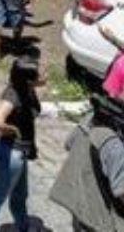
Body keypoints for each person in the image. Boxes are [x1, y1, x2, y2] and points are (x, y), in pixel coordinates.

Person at [0, 56, 44, 232]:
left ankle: (22, 227)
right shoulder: (13, 96)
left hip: (21, 153)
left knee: (20, 195)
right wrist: (14, 131)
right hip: (11, 154)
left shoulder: (25, 87)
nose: (43, 73)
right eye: (38, 72)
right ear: (28, 78)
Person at [51, 98, 124, 231]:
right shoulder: (114, 145)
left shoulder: (88, 120)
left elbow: (69, 143)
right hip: (101, 220)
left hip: (79, 206)